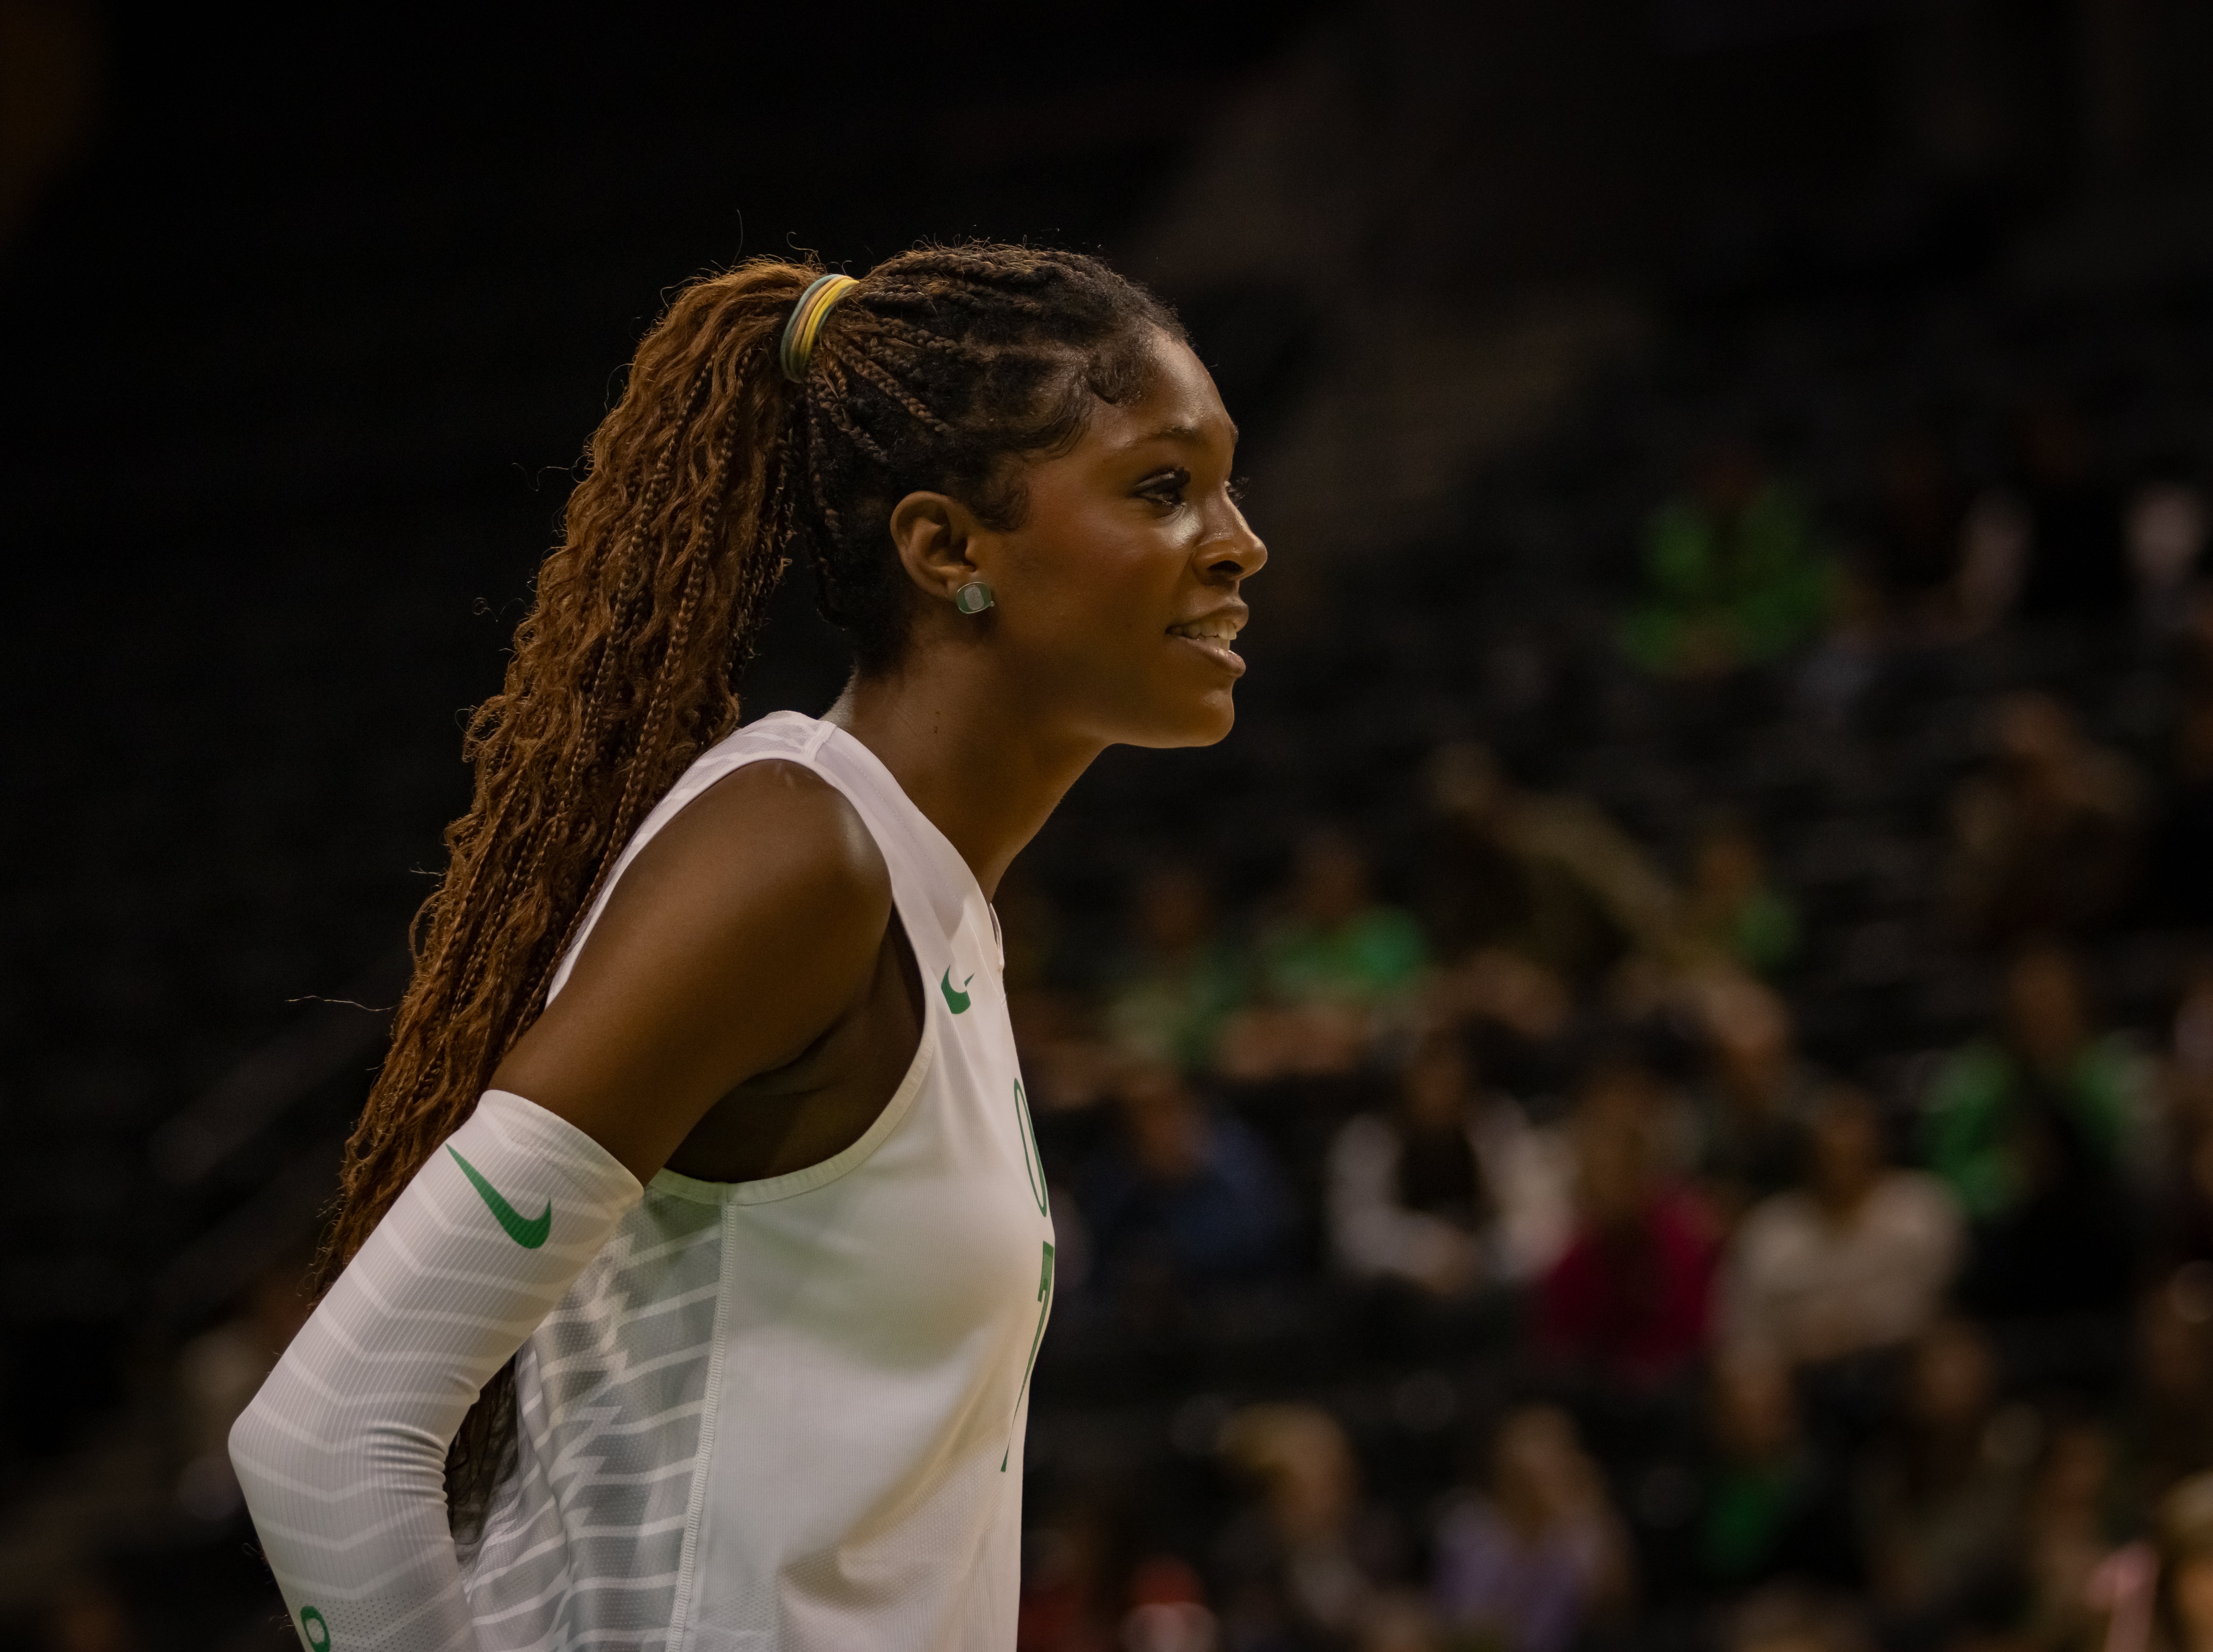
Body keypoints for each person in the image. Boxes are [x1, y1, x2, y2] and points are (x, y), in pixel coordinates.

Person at [226, 247, 1266, 1650]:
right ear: (947, 549)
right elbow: (332, 1430)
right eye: (1164, 487)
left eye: (1224, 482)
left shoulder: (924, 893)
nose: (1241, 538)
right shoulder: (797, 853)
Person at [1720, 1087, 1964, 1369]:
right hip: (1798, 1373)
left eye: (1855, 1158)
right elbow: (1741, 1330)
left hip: (1905, 1364)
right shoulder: (1769, 1232)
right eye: (1829, 1159)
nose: (1842, 1172)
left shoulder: (1923, 1211)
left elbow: (1952, 1308)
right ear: (1807, 1161)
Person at [1325, 1028, 1572, 1306]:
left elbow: (1538, 1217)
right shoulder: (1369, 1142)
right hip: (1397, 1299)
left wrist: (1479, 1255)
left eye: (1451, 1077)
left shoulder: (1495, 1127)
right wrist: (1427, 1254)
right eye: (1429, 1077)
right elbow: (1355, 1235)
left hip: (1487, 1280)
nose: (1441, 1090)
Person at [1429, 1405, 1632, 1652]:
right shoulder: (1470, 1527)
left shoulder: (1579, 1524)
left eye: (1560, 1454)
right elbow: (1464, 1626)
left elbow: (1614, 1608)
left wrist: (1592, 1515)